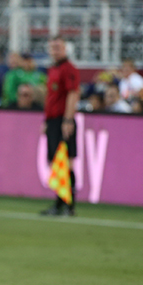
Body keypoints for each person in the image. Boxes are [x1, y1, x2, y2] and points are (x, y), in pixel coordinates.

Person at [41, 38, 80, 217]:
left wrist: (68, 120)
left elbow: (73, 93)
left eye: (58, 47)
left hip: (62, 120)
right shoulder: (54, 69)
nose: (55, 51)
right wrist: (46, 121)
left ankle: (69, 206)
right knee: (58, 164)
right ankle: (59, 204)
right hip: (53, 121)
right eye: (52, 47)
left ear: (65, 48)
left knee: (66, 162)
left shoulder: (68, 69)